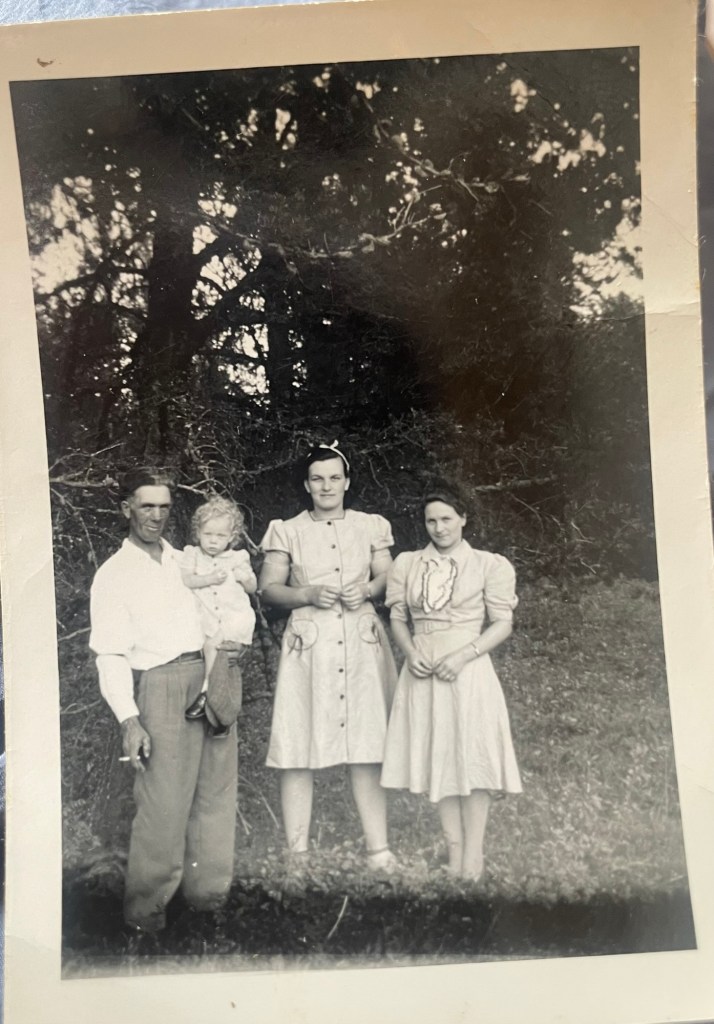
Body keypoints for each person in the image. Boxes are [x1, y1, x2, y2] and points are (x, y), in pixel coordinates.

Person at [89, 468, 238, 932]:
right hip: (162, 684)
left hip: (212, 674)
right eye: (146, 506)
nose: (156, 516)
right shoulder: (114, 575)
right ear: (127, 509)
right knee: (164, 804)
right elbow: (110, 653)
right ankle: (145, 917)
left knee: (215, 793)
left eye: (164, 507)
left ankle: (207, 905)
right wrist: (129, 719)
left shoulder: (185, 560)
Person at [259, 442, 399, 870]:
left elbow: (390, 576)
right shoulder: (287, 530)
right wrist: (306, 593)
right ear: (306, 485)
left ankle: (379, 850)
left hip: (361, 642)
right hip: (311, 645)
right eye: (317, 479)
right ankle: (297, 855)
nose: (326, 486)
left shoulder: (370, 526)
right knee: (298, 745)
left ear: (347, 482)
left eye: (334, 478)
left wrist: (369, 589)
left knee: (368, 743)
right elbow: (268, 588)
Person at [380, 489, 521, 881]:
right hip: (423, 668)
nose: (439, 528)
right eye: (431, 521)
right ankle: (454, 854)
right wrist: (410, 652)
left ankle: (473, 856)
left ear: (463, 518)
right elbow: (398, 618)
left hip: (467, 669)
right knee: (438, 756)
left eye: (446, 519)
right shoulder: (408, 564)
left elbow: (502, 623)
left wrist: (463, 656)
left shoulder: (488, 564)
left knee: (472, 756)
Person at [180, 496, 257, 737]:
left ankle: (206, 694)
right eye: (208, 534)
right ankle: (221, 717)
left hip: (234, 616)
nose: (213, 541)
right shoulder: (192, 554)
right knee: (217, 656)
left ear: (231, 537)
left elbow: (253, 587)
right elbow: (187, 580)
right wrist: (209, 579)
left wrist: (246, 578)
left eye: (221, 536)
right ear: (198, 533)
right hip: (209, 617)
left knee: (215, 649)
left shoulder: (237, 558)